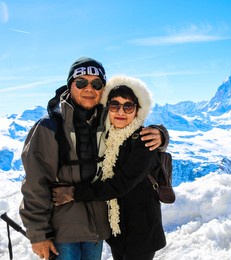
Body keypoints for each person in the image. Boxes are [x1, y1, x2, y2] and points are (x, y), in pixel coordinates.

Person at [19, 57, 169, 260]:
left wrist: (161, 134)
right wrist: (38, 234)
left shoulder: (105, 120)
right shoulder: (49, 126)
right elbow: (35, 183)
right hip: (63, 231)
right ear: (70, 85)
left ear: (102, 90)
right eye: (81, 82)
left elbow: (135, 135)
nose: (89, 88)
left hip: (98, 230)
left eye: (96, 83)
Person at [53, 75, 167, 260]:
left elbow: (119, 185)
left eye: (128, 106)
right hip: (118, 231)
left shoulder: (144, 141)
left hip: (141, 232)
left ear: (138, 110)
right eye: (114, 105)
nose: (120, 111)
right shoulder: (106, 135)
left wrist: (74, 193)